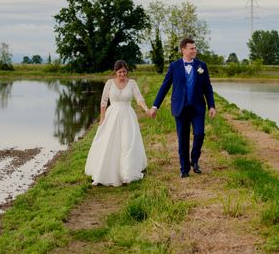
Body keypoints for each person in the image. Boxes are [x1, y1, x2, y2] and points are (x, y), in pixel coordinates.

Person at [149, 38, 216, 178]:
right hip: (180, 107)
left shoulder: (202, 66)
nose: (194, 51)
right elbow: (164, 86)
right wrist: (155, 106)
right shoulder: (174, 66)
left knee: (199, 134)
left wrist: (211, 105)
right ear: (183, 50)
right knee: (183, 140)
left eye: (195, 48)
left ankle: (195, 159)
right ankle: (184, 169)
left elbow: (207, 88)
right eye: (191, 48)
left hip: (197, 108)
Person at [85, 60, 150, 186]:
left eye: (124, 72)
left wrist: (146, 109)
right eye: (120, 72)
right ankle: (105, 172)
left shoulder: (132, 83)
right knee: (110, 142)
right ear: (115, 72)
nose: (122, 75)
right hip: (112, 116)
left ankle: (127, 174)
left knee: (127, 144)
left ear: (127, 72)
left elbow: (139, 99)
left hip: (127, 116)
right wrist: (102, 118)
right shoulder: (109, 83)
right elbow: (103, 102)